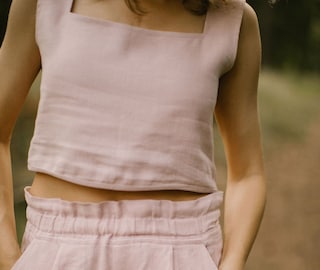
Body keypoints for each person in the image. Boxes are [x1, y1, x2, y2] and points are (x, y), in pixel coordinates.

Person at [0, 0, 266, 269]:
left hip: (183, 252)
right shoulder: (43, 4)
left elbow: (248, 173)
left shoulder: (234, 21)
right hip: (56, 250)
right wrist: (7, 255)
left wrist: (233, 261)